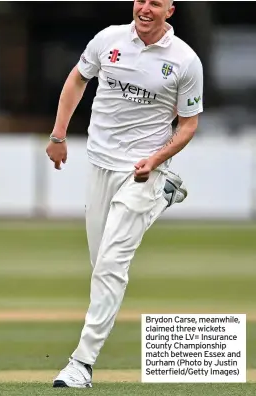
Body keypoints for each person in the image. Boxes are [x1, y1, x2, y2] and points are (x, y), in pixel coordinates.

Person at [46, 0, 203, 388]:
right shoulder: (108, 39)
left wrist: (156, 158)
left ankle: (81, 363)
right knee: (99, 264)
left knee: (112, 266)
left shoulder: (185, 61)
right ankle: (165, 195)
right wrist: (58, 135)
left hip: (142, 170)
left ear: (171, 9)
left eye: (155, 3)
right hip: (100, 165)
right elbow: (77, 80)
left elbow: (187, 124)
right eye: (140, 0)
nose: (144, 8)